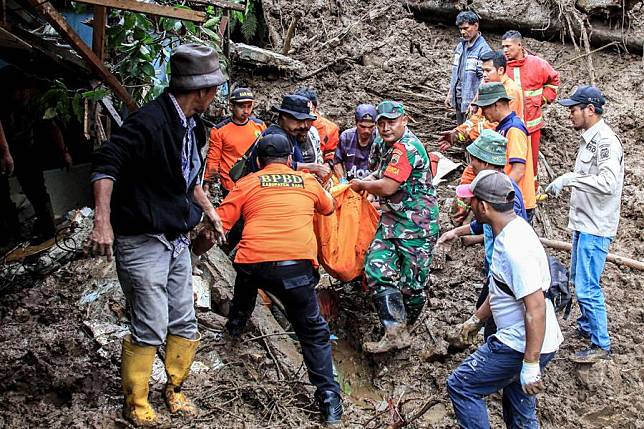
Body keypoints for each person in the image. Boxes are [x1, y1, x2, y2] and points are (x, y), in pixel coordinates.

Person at [88, 44, 227, 426]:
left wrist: (210, 212)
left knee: (183, 318)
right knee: (149, 322)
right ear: (200, 91)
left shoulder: (193, 126)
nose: (216, 95)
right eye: (214, 88)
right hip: (142, 238)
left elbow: (189, 180)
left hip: (176, 239)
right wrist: (103, 220)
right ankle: (136, 403)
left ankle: (175, 390)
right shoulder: (149, 122)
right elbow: (106, 163)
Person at [217, 134, 343, 425]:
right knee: (313, 332)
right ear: (290, 160)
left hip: (254, 262)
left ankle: (233, 330)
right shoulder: (307, 182)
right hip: (296, 267)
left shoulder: (247, 182)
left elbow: (220, 223)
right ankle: (329, 401)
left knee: (245, 286)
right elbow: (329, 207)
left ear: (259, 161)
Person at [447, 170, 563, 428]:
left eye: (472, 200)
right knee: (519, 409)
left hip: (520, 343)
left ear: (484, 206)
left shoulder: (515, 249)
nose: (469, 205)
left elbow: (535, 308)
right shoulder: (512, 230)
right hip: (534, 341)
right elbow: (501, 288)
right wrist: (475, 321)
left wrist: (530, 363)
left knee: (462, 385)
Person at [350, 101, 439, 353]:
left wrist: (362, 185)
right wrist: (361, 183)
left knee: (413, 284)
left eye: (391, 122)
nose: (385, 128)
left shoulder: (407, 147)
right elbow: (378, 173)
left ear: (405, 120)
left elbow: (388, 186)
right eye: (381, 123)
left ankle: (407, 327)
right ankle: (394, 330)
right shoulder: (382, 143)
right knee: (377, 266)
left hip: (416, 223)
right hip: (391, 218)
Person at [546, 85, 623, 363]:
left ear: (590, 110)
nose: (570, 114)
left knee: (588, 286)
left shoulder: (605, 142)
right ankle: (588, 325)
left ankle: (601, 344)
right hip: (584, 221)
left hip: (596, 226)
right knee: (579, 279)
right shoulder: (589, 139)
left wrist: (569, 179)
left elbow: (608, 183)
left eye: (574, 109)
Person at [437, 129, 527, 338]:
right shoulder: (491, 188)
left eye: (474, 160)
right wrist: (456, 232)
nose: (471, 165)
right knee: (487, 310)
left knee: (495, 322)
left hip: (505, 270)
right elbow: (482, 223)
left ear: (485, 163)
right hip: (494, 266)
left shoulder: (506, 193)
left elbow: (512, 233)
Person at [438, 49, 524, 225]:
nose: (483, 75)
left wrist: (498, 193)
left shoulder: (509, 94)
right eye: (482, 71)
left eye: (487, 71)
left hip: (497, 163)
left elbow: (488, 127)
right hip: (484, 155)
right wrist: (458, 133)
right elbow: (475, 119)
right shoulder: (486, 89)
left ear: (500, 70)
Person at [0, 76, 71, 245]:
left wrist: (64, 152)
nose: (23, 94)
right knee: (2, 197)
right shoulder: (3, 103)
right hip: (4, 148)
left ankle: (49, 233)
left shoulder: (36, 102)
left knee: (37, 191)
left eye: (25, 90)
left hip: (26, 148)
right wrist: (5, 153)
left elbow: (52, 126)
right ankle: (12, 239)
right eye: (18, 91)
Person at [474, 82, 537, 221]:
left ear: (497, 105)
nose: (483, 114)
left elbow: (518, 170)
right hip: (508, 197)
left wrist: (497, 194)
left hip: (516, 201)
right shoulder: (503, 127)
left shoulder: (514, 129)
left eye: (485, 109)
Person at [503, 30, 560, 177]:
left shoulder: (538, 64)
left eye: (509, 46)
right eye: (503, 47)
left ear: (520, 45)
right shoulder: (501, 66)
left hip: (532, 125)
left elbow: (554, 81)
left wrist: (543, 99)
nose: (505, 50)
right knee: (510, 160)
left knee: (531, 160)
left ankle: (532, 193)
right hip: (509, 126)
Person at [246, 95, 330, 179]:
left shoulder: (290, 133)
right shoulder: (274, 136)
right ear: (284, 116)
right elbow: (277, 167)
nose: (303, 126)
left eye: (305, 120)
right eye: (299, 120)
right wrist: (313, 167)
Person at [204, 87, 265, 196]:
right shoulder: (219, 130)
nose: (246, 111)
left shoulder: (259, 126)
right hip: (231, 185)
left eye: (249, 106)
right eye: (241, 107)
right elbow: (213, 158)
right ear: (231, 107)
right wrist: (207, 184)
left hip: (255, 183)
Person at [446, 11, 491, 124]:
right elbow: (455, 72)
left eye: (466, 28)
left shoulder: (483, 50)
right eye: (460, 29)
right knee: (460, 132)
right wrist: (450, 94)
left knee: (471, 133)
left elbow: (485, 79)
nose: (463, 32)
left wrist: (475, 102)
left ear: (476, 25)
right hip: (459, 98)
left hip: (472, 102)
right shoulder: (461, 46)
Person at [333, 104, 378, 181]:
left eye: (371, 127)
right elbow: (337, 162)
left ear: (376, 125)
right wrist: (342, 180)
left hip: (372, 184)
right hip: (351, 182)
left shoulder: (379, 139)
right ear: (356, 123)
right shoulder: (346, 137)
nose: (366, 131)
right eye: (362, 126)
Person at [296, 87, 340, 164]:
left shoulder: (330, 129)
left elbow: (331, 156)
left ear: (315, 108)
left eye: (308, 109)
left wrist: (326, 166)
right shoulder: (290, 125)